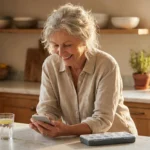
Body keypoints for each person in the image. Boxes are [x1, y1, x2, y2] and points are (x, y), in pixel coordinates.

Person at [29, 3, 138, 137]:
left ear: (85, 40)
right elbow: (48, 107)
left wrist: (64, 130)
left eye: (68, 45)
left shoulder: (106, 65)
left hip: (117, 138)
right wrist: (45, 121)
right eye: (55, 45)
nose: (61, 52)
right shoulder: (50, 65)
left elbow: (102, 119)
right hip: (81, 139)